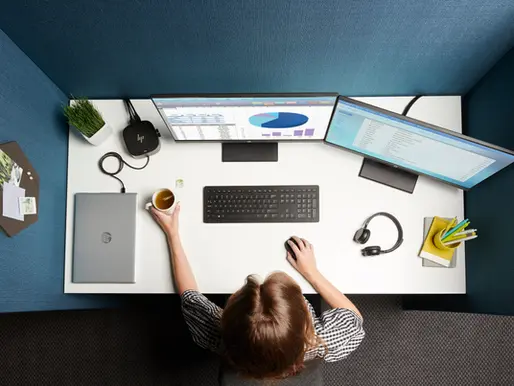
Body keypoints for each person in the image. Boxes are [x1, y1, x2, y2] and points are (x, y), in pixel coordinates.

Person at [150, 204, 365, 381]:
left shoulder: (218, 331)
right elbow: (354, 317)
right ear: (305, 321)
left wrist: (173, 235)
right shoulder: (321, 340)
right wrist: (311, 273)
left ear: (228, 313)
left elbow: (189, 295)